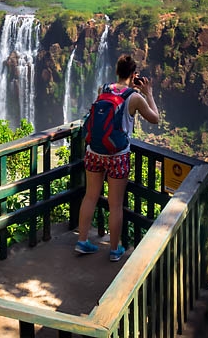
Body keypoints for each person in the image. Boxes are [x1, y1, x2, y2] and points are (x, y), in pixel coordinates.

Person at [75, 54, 160, 262]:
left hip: (94, 152)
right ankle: (114, 250)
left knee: (90, 196)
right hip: (117, 157)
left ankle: (82, 241)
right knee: (115, 204)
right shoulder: (135, 97)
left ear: (116, 71)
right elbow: (155, 119)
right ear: (134, 74)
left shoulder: (102, 89)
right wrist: (148, 93)